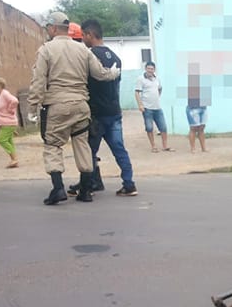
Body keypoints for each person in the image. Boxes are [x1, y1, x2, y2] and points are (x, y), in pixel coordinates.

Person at [27, 11, 120, 205]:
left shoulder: (46, 49)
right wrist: (113, 73)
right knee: (82, 144)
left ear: (53, 28)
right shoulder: (82, 50)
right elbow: (101, 74)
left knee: (53, 145)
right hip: (80, 105)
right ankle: (86, 190)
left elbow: (38, 82)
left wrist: (33, 106)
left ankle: (58, 188)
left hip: (57, 106)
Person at [66, 19, 137, 197]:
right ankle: (129, 184)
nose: (82, 39)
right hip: (114, 112)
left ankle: (88, 184)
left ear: (90, 35)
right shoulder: (117, 59)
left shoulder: (88, 56)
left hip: (96, 114)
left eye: (83, 35)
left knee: (88, 151)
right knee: (119, 149)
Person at [135, 61, 172, 152]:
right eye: (148, 68)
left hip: (157, 107)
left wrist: (157, 97)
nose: (150, 70)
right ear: (145, 69)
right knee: (149, 127)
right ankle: (153, 146)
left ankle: (165, 145)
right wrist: (140, 105)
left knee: (163, 127)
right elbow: (137, 93)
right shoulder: (141, 79)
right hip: (147, 108)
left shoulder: (157, 78)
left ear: (154, 70)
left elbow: (160, 88)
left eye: (152, 69)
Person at [0, 77, 20, 168]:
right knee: (9, 141)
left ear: (0, 86)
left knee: (2, 140)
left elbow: (14, 101)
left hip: (8, 122)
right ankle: (14, 160)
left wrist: (10, 110)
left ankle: (14, 159)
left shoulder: (5, 94)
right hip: (5, 123)